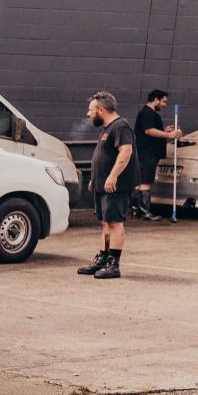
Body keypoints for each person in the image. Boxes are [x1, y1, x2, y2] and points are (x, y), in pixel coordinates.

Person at [78, 91, 136, 279]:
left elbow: (126, 152)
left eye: (91, 110)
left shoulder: (121, 127)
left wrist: (112, 177)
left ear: (101, 110)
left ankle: (114, 265)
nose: (89, 114)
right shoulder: (108, 127)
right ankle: (103, 259)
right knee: (105, 222)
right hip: (103, 184)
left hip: (115, 185)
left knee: (114, 222)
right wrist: (96, 179)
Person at [132, 89, 182, 220]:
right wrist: (169, 135)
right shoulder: (148, 113)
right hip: (147, 153)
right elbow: (149, 130)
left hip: (145, 152)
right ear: (156, 99)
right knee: (145, 182)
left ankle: (137, 210)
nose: (165, 105)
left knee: (140, 181)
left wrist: (164, 130)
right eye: (164, 101)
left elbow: (149, 130)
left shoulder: (147, 113)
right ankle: (145, 212)